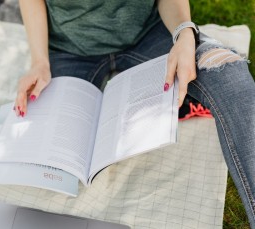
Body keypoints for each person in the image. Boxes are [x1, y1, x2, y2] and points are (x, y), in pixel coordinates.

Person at [13, 0, 255, 227]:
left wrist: (184, 33)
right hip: (69, 48)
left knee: (228, 72)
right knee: (49, 163)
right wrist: (39, 62)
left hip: (149, 34)